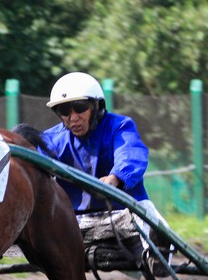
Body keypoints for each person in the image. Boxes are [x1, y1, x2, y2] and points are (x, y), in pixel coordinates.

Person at [41, 71, 173, 269]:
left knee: (146, 210)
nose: (73, 118)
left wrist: (115, 178)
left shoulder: (119, 126)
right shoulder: (51, 140)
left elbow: (130, 153)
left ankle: (158, 255)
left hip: (124, 213)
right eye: (64, 111)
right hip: (75, 222)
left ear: (97, 107)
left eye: (79, 108)